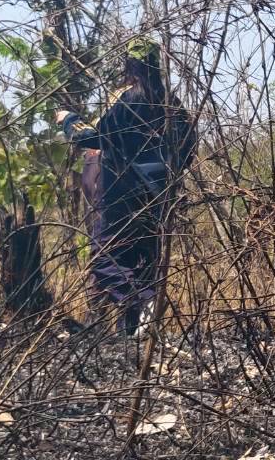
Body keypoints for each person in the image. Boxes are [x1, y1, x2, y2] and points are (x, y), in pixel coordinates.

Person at [56, 37, 196, 337]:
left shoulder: (126, 97)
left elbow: (91, 137)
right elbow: (189, 149)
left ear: (128, 64)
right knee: (143, 258)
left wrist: (68, 120)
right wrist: (165, 177)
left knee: (105, 255)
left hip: (120, 188)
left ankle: (141, 300)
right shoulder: (172, 103)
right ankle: (132, 335)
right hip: (159, 196)